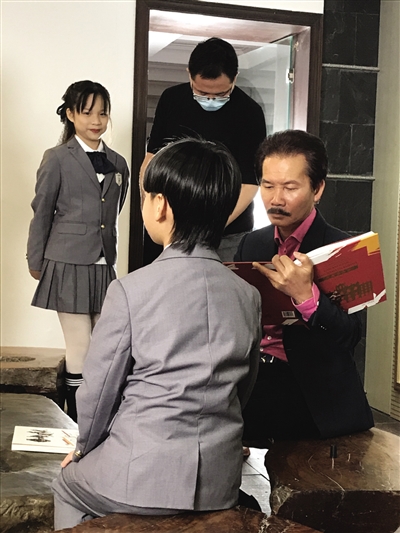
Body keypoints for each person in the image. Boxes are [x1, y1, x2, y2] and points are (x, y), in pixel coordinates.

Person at [51, 137, 262, 529]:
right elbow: (244, 387)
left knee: (66, 484)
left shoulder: (131, 290)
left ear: (161, 205)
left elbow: (99, 392)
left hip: (142, 477)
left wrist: (82, 450)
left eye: (146, 197)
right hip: (220, 483)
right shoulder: (247, 295)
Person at [234, 129, 374, 444]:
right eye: (268, 185)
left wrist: (305, 297)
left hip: (313, 395)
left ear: (317, 188)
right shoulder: (251, 244)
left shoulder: (344, 249)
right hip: (256, 382)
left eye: (290, 187)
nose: (276, 199)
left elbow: (350, 336)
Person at [27, 80, 130, 421]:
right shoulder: (57, 158)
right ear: (71, 114)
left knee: (105, 345)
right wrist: (36, 260)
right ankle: (75, 420)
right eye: (87, 113)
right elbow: (42, 212)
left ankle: (100, 417)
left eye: (102, 113)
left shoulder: (119, 163)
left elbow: (112, 214)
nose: (96, 121)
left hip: (104, 265)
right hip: (66, 261)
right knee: (80, 344)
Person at [140, 36, 266, 263]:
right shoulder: (172, 100)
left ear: (235, 78)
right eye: (201, 92)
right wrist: (153, 209)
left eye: (221, 94)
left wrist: (211, 224)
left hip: (226, 232)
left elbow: (249, 184)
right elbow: (152, 159)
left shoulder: (250, 113)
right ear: (189, 74)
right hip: (171, 226)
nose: (210, 99)